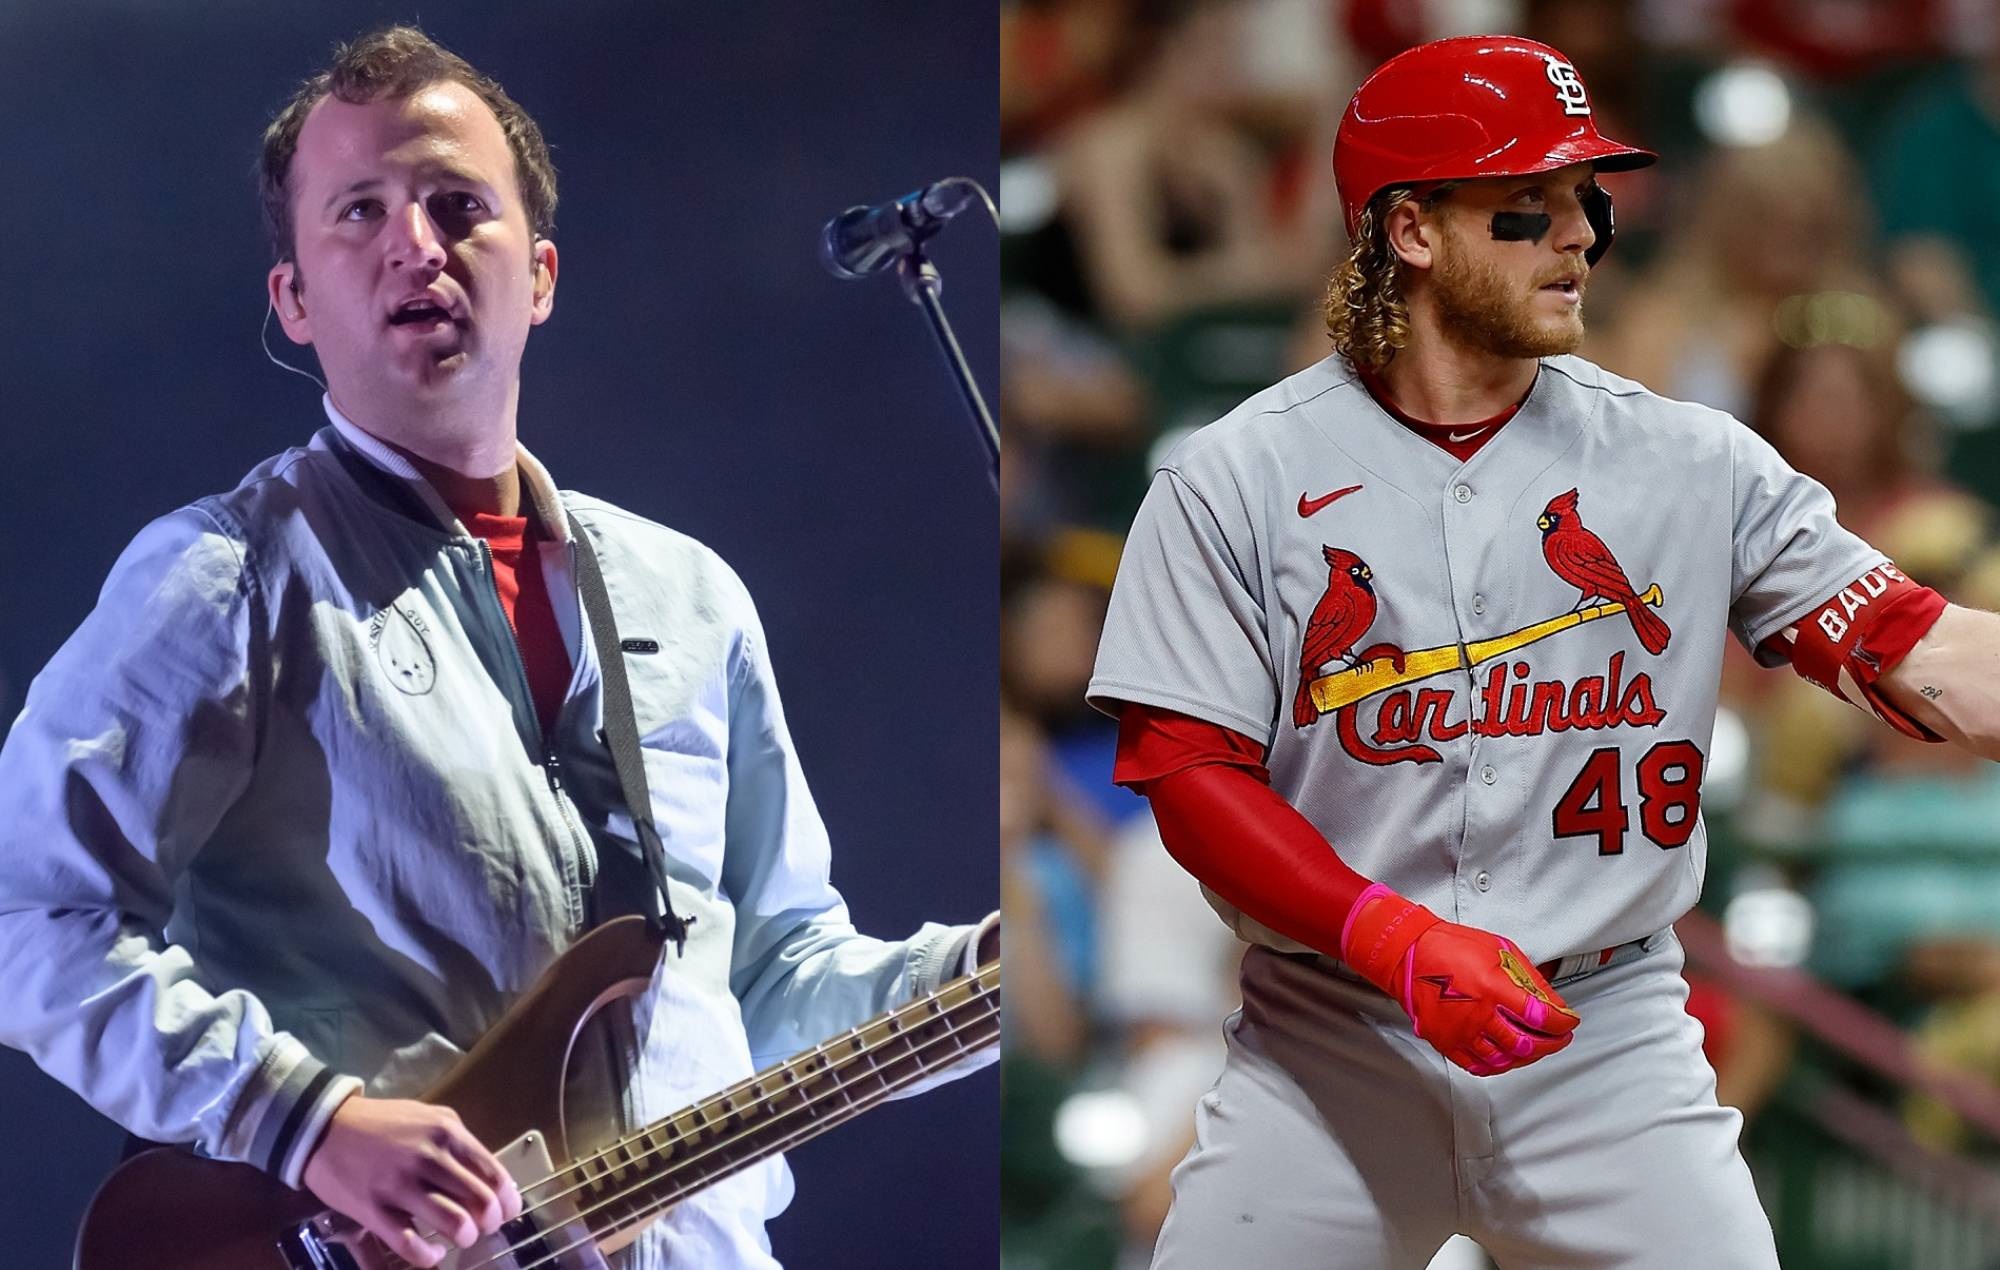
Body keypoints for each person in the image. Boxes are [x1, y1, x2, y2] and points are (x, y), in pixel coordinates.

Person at [0, 26, 994, 1269]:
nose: (415, 241)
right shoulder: (227, 580)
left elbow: (771, 978)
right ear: (294, 300)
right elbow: (28, 912)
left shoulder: (690, 598)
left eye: (457, 203)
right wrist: (310, 1123)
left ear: (540, 272)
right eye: (359, 210)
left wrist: (977, 977)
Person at [1087, 34, 2000, 1268]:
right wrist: (1389, 939)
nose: (1578, 234)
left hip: (1604, 1034)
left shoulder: (1692, 461)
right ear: (1409, 231)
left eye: (1585, 200)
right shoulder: (1230, 480)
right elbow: (1191, 779)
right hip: (1330, 1040)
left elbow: (1921, 650)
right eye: (1527, 209)